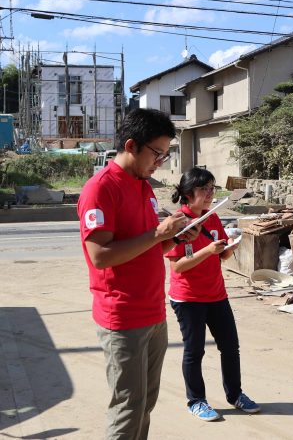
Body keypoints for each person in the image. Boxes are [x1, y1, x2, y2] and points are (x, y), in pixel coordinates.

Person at [78, 108, 199, 440]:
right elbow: (100, 257)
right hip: (122, 317)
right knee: (127, 408)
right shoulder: (101, 188)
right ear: (131, 145)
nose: (159, 162)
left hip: (152, 313)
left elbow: (146, 247)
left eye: (165, 154)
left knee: (144, 404)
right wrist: (159, 234)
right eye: (157, 154)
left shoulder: (142, 185)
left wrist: (172, 238)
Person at [166, 167, 260, 422]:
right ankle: (196, 401)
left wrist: (229, 246)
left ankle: (235, 395)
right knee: (194, 351)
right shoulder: (179, 222)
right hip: (188, 299)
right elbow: (179, 266)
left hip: (216, 294)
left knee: (230, 348)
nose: (209, 194)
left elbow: (221, 255)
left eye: (212, 188)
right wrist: (208, 250)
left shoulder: (212, 217)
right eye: (203, 189)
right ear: (187, 193)